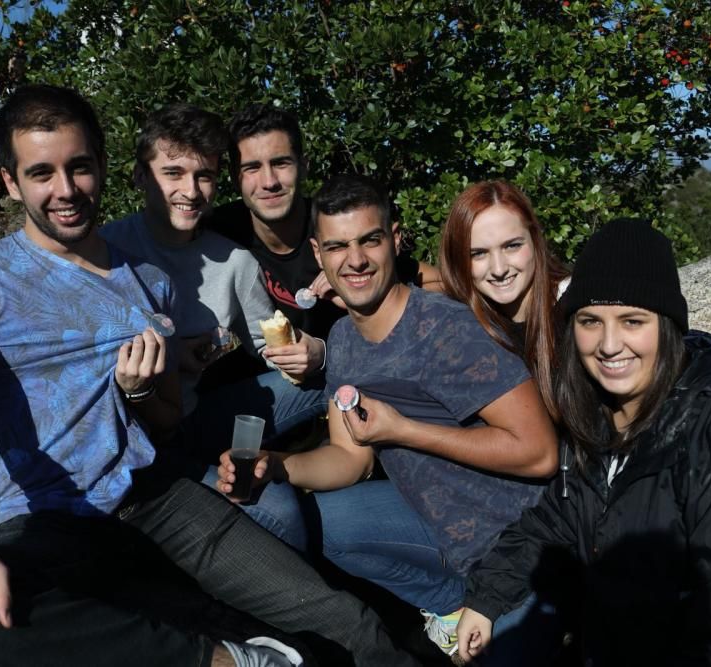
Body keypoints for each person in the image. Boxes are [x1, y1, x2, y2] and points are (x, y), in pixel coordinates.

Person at [0, 84, 418, 667]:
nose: (66, 190)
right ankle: (230, 660)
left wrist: (141, 392)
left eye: (79, 168)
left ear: (100, 166)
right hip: (47, 516)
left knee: (342, 621)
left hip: (158, 498)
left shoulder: (150, 279)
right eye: (41, 173)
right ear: (10, 181)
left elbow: (169, 416)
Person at [457, 218, 711, 665]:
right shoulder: (603, 421)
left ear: (666, 325)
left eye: (632, 321)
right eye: (590, 320)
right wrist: (486, 598)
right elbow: (554, 520)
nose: (608, 344)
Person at [218, 174, 559, 661]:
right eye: (337, 246)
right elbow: (348, 458)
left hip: (515, 545)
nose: (354, 261)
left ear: (394, 240)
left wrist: (405, 431)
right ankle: (448, 606)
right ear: (318, 254)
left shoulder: (445, 328)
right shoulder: (342, 341)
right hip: (434, 529)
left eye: (369, 241)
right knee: (320, 521)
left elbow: (540, 453)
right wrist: (274, 465)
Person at [439, 180, 711, 452]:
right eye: (478, 253)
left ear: (535, 242)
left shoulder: (580, 305)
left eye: (512, 246)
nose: (499, 267)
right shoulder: (468, 320)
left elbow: (685, 363)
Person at [100, 103, 326, 459]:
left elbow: (263, 342)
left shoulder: (236, 262)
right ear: (140, 177)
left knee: (281, 506)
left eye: (204, 176)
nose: (190, 191)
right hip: (115, 434)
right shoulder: (104, 250)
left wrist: (314, 353)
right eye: (173, 173)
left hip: (191, 422)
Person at [208, 104, 442, 346]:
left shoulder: (336, 226)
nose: (269, 181)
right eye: (252, 168)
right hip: (264, 373)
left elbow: (443, 283)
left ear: (303, 167)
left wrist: (355, 281)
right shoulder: (218, 231)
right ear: (235, 177)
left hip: (344, 366)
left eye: (281, 163)